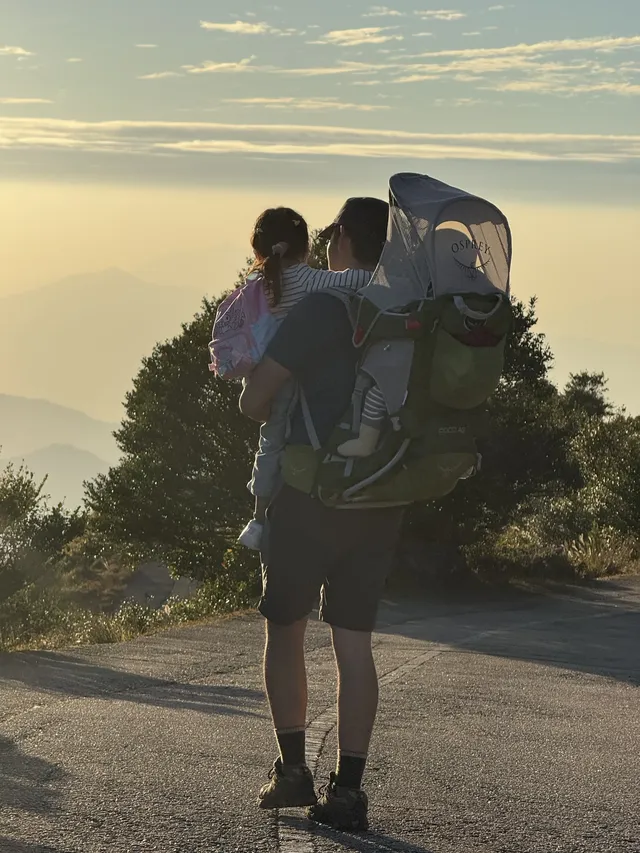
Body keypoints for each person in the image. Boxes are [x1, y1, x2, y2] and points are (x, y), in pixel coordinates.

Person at [240, 197, 403, 833]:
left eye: (333, 235)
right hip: (381, 496)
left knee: (286, 628)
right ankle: (350, 791)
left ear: (343, 241)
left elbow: (255, 400)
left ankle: (293, 771)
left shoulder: (319, 307)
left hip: (310, 496)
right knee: (354, 645)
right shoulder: (403, 312)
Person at [235, 207, 374, 551]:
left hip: (271, 377)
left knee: (271, 441)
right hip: (374, 480)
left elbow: (251, 404)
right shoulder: (315, 283)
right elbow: (357, 279)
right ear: (303, 247)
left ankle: (258, 518)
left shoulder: (262, 286)